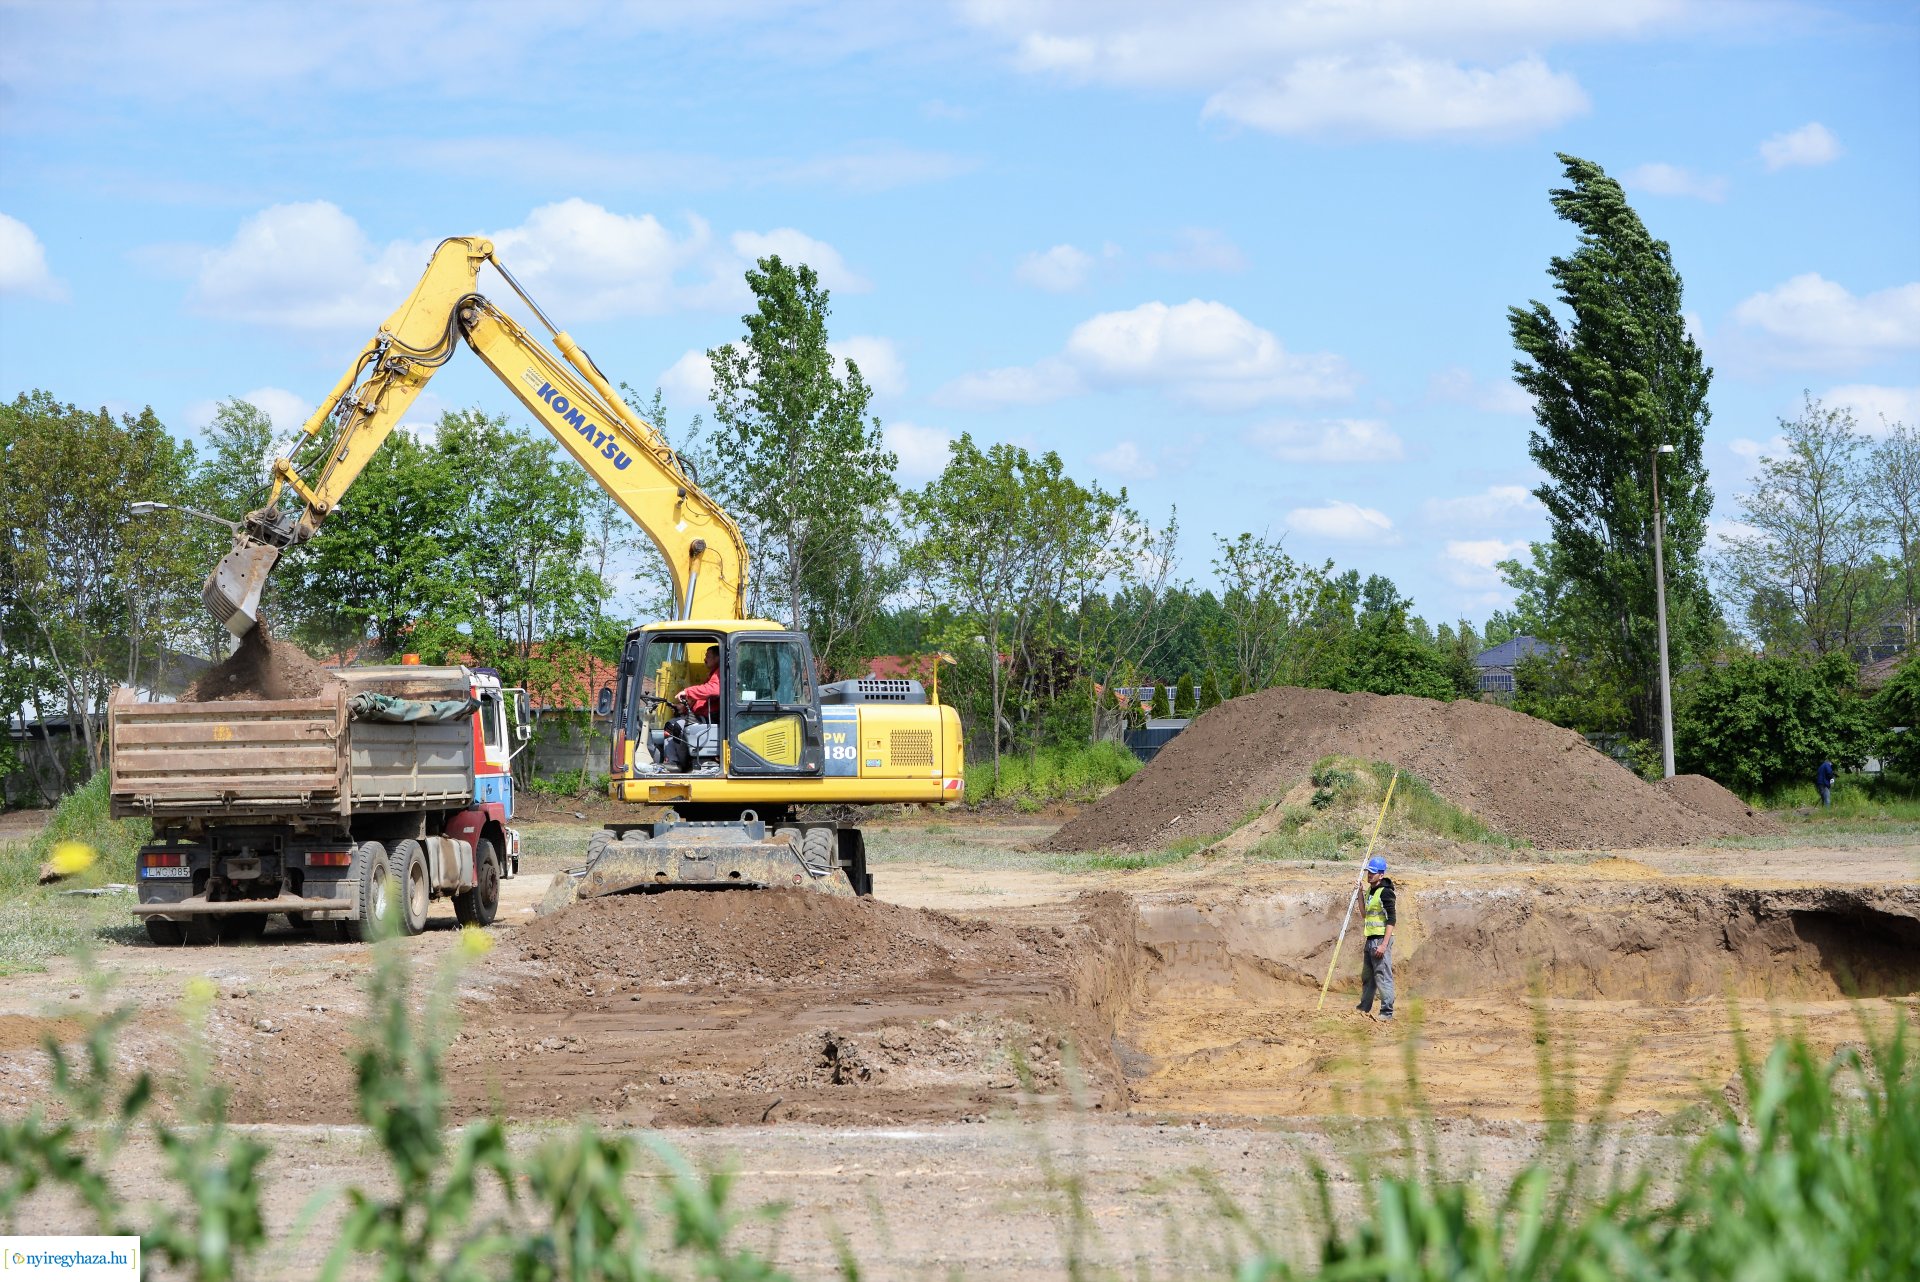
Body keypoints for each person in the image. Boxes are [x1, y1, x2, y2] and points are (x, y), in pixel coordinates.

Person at [1357, 854, 1396, 1022]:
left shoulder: (1386, 893)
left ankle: (1386, 1012)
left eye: (1373, 872)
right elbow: (1365, 914)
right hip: (1370, 939)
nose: (1369, 875)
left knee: (1383, 975)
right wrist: (1359, 893)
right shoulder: (1371, 892)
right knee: (1368, 976)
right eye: (1368, 872)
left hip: (1381, 940)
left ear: (1381, 874)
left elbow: (1392, 920)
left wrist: (1384, 945)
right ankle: (1364, 1007)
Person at [677, 646, 722, 721]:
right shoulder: (712, 674)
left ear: (717, 658)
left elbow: (713, 689)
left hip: (709, 717)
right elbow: (701, 696)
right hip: (703, 714)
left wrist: (687, 692)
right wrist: (684, 708)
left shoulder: (719, 673)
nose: (705, 659)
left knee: (673, 725)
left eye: (708, 657)